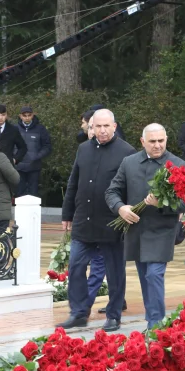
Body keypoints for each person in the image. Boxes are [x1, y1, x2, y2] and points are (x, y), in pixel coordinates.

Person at [106, 123, 185, 328]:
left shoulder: (178, 164)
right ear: (143, 142)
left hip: (162, 229)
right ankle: (152, 318)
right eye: (152, 141)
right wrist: (121, 208)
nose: (157, 145)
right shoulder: (129, 162)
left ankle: (155, 323)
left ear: (166, 140)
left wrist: (161, 203)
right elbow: (112, 191)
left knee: (154, 274)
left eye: (161, 141)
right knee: (146, 277)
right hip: (136, 229)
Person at [58, 109, 136, 332]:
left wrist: (127, 214)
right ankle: (79, 312)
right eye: (96, 126)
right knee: (75, 266)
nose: (101, 131)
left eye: (105, 126)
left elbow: (130, 187)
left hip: (112, 222)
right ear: (91, 127)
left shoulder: (126, 151)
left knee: (114, 271)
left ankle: (113, 315)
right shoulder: (83, 149)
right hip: (84, 219)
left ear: (114, 126)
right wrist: (67, 213)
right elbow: (74, 182)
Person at [16, 106, 52, 197]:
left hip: (34, 167)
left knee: (34, 194)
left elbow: (47, 146)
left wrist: (37, 156)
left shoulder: (40, 129)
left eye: (29, 115)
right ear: (20, 116)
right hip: (18, 167)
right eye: (25, 115)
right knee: (19, 194)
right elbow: (9, 145)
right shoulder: (15, 128)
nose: (27, 117)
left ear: (33, 115)